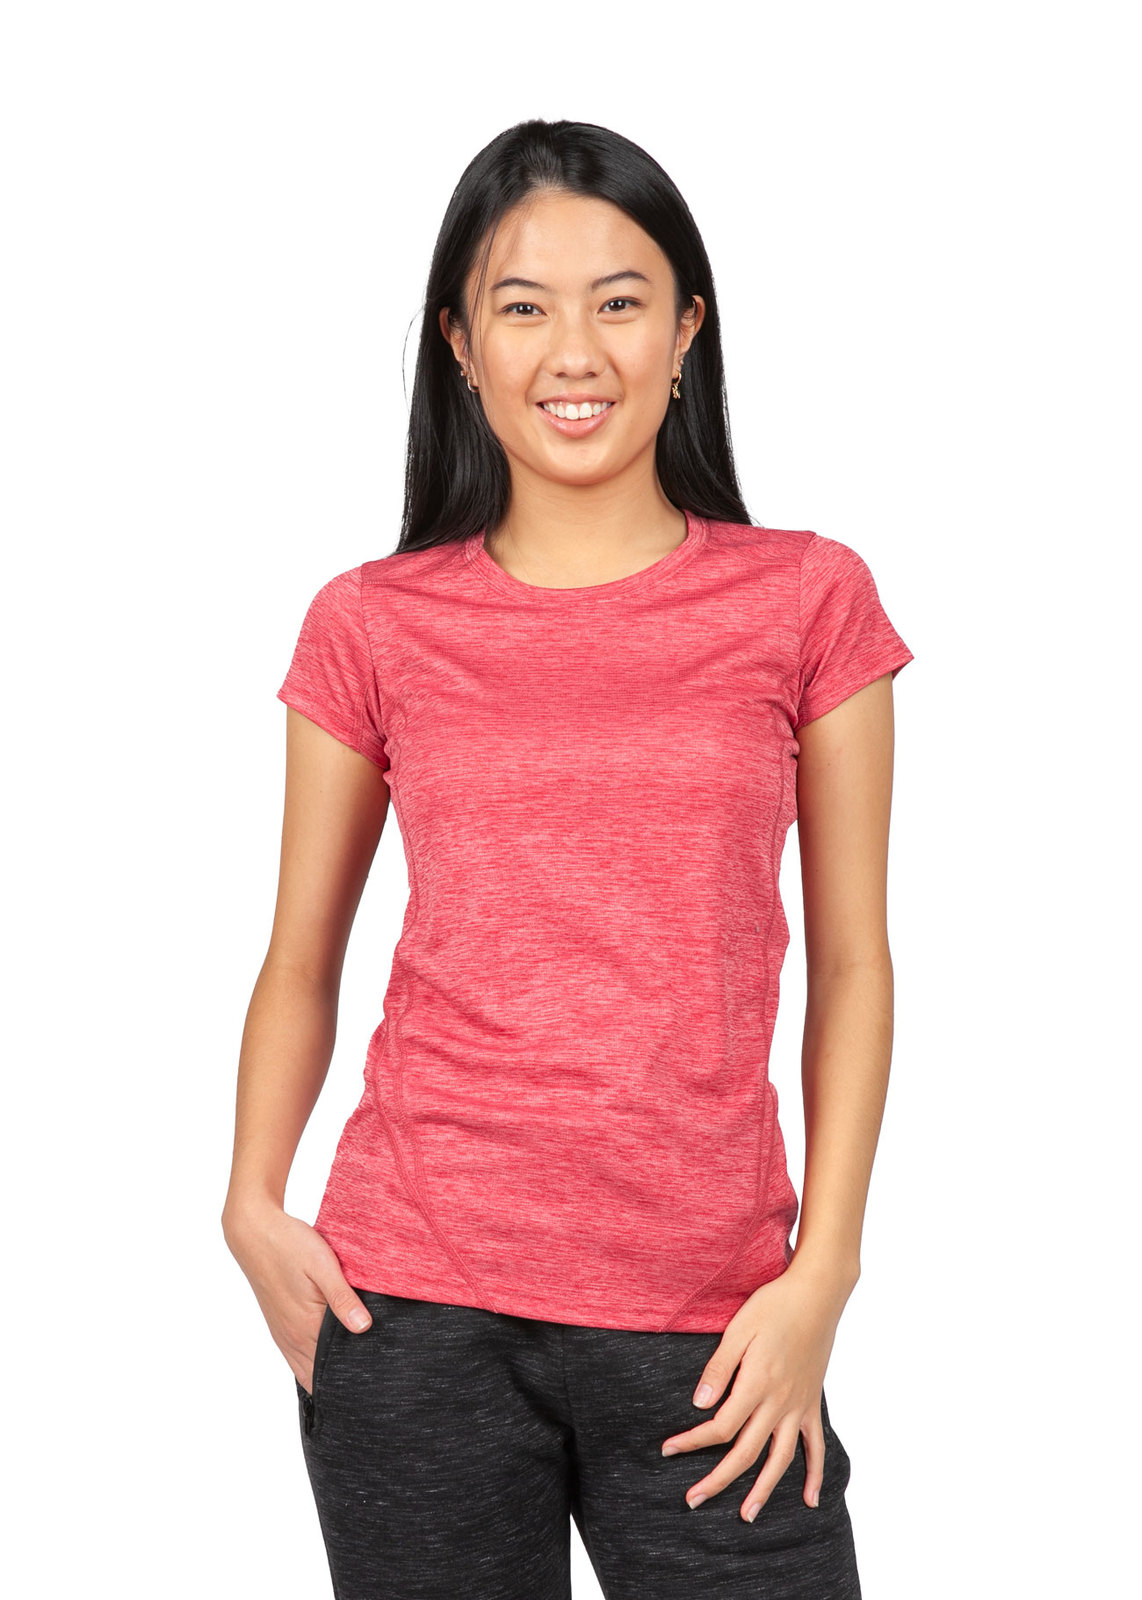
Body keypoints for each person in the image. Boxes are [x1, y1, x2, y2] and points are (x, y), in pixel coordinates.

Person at [222, 117, 913, 1600]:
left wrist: (824, 1274)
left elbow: (854, 963)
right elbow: (300, 955)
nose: (574, 350)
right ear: (461, 347)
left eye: (619, 300)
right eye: (523, 307)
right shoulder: (371, 622)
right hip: (411, 1302)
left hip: (715, 1322)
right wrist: (250, 1203)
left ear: (686, 330)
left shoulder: (806, 600)